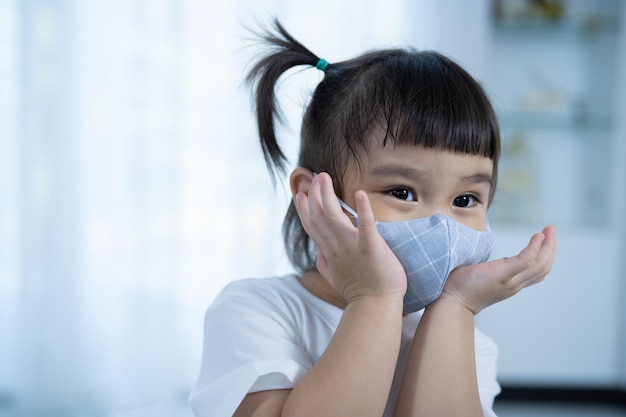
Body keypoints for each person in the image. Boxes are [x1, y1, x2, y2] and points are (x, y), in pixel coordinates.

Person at [189, 19, 557, 417]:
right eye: (402, 192)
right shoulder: (258, 310)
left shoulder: (462, 337)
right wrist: (374, 298)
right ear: (314, 196)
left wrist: (455, 305)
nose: (441, 226)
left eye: (466, 199)